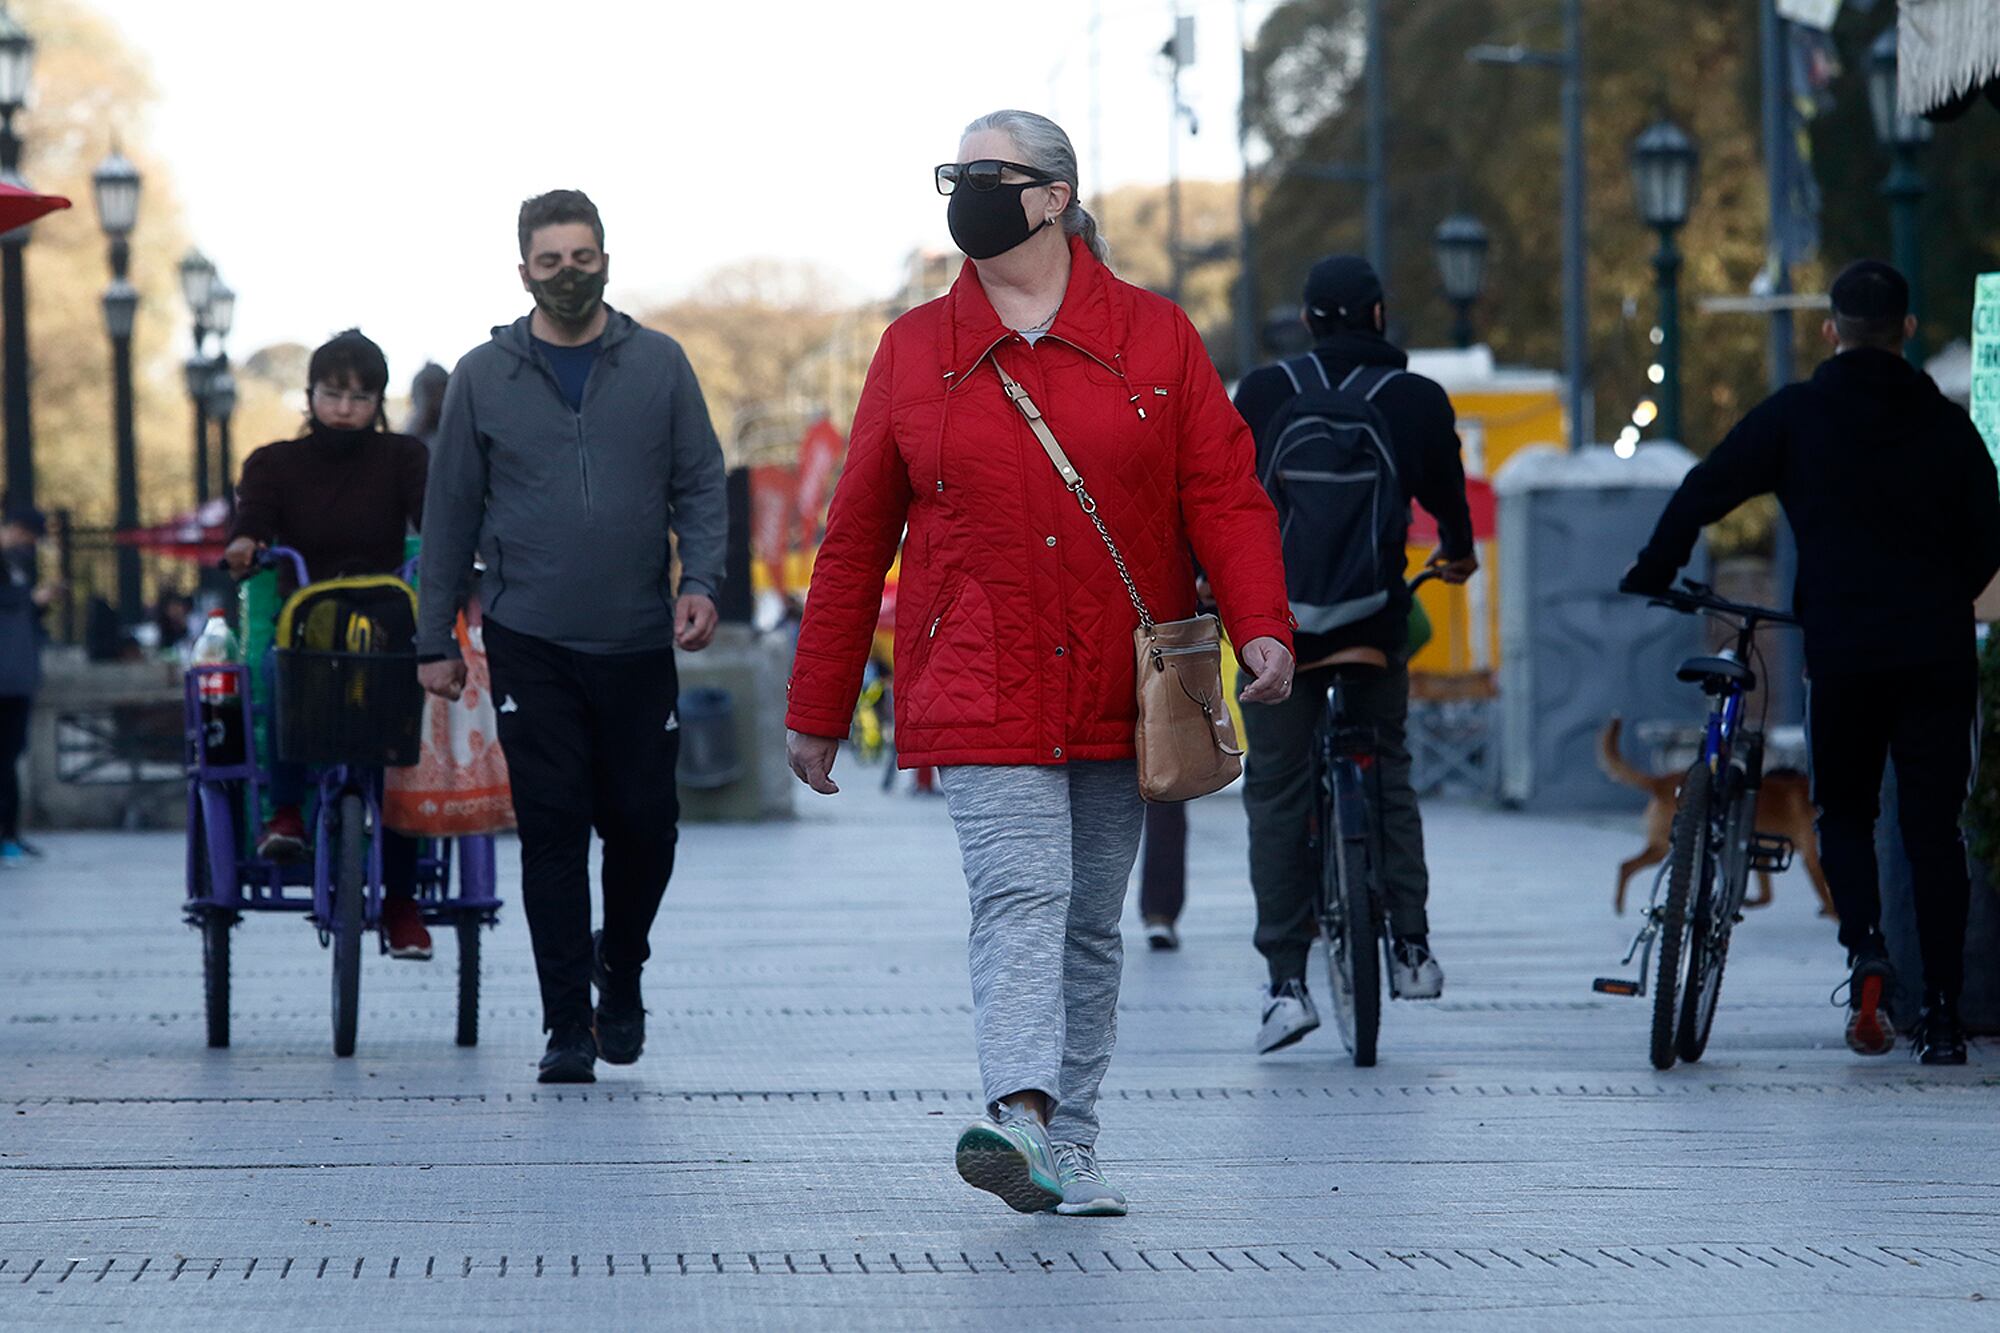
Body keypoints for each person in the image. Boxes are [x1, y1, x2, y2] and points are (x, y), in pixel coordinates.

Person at [783, 110, 1295, 1218]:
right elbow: (855, 537)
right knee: (1024, 888)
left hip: (1128, 681)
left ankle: (1075, 1138)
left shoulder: (1156, 337)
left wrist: (1261, 621)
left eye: (987, 173)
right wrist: (817, 703)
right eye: (952, 172)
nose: (962, 189)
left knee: (1087, 921)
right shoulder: (914, 350)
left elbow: (1221, 493)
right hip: (979, 670)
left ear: (1054, 196)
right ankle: (1017, 1113)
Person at [1622, 259, 2000, 1066]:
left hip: (1843, 651)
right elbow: (1988, 533)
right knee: (1935, 829)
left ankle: (1866, 953)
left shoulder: (1799, 415)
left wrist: (1655, 565)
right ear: (1904, 330)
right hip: (1934, 652)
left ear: (1831, 330)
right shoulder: (1948, 427)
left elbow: (1705, 487)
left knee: (1845, 814)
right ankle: (1938, 1013)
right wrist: (1944, 594)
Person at [417, 189, 728, 1086]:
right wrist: (433, 636)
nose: (567, 274)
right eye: (548, 262)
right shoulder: (484, 376)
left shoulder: (661, 364)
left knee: (646, 827)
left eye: (581, 256)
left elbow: (702, 483)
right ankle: (567, 1027)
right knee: (553, 829)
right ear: (524, 272)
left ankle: (619, 968)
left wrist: (700, 581)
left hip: (637, 639)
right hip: (530, 639)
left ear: (606, 258)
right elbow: (449, 515)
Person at [1231, 255, 1478, 1054]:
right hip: (1372, 623)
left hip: (1279, 631)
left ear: (1305, 321)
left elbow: (1226, 499)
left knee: (1276, 788)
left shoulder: (1266, 392)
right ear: (1378, 317)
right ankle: (1410, 947)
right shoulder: (1414, 398)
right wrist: (1460, 554)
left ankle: (1285, 983)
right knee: (1388, 763)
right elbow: (1449, 510)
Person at [224, 329, 433, 959]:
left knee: (401, 731)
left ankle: (401, 903)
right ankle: (285, 812)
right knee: (278, 670)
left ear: (380, 401)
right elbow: (254, 518)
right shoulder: (274, 463)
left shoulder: (404, 458)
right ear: (310, 394)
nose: (344, 407)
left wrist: (464, 550)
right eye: (332, 392)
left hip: (383, 625)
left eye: (360, 395)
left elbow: (434, 517)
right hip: (307, 623)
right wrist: (245, 543)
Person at [0, 505, 54, 864]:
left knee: (11, 756)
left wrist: (39, 605)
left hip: (17, 677)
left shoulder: (14, 565)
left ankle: (11, 833)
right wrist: (29, 599)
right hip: (5, 677)